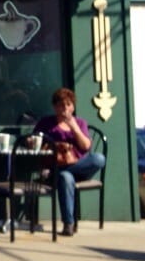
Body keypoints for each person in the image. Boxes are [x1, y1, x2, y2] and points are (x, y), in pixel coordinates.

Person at [33, 88, 106, 236]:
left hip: (79, 167)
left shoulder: (80, 122)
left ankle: (64, 170)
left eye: (68, 104)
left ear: (73, 106)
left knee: (99, 158)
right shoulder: (46, 123)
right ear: (55, 106)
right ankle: (68, 224)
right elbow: (35, 142)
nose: (65, 108)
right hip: (55, 168)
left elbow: (86, 146)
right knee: (65, 177)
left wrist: (73, 127)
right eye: (61, 105)